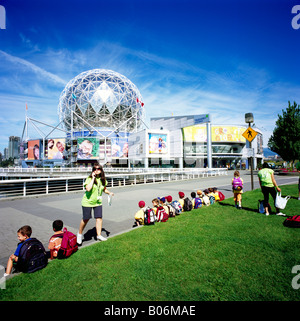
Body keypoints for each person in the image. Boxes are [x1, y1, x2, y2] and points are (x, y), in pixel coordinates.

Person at [77, 164, 114, 244]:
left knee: (99, 218)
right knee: (86, 218)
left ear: (101, 170)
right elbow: (88, 188)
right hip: (88, 202)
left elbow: (104, 189)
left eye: (98, 169)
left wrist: (109, 193)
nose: (96, 170)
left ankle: (99, 235)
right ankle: (79, 234)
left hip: (98, 202)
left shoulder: (103, 179)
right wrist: (93, 178)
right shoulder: (89, 178)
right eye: (95, 169)